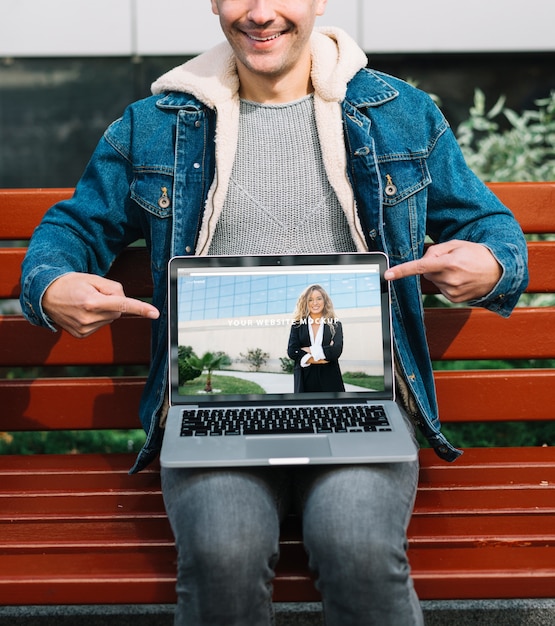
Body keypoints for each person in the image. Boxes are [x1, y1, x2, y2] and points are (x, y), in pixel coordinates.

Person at [20, 1, 528, 624]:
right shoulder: (156, 124)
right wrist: (52, 284)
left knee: (359, 548)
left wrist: (492, 266)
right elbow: (72, 227)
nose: (261, 13)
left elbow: (491, 227)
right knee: (221, 553)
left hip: (357, 404)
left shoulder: (400, 115)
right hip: (212, 413)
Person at [287, 284, 345, 392]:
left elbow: (336, 351)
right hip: (304, 380)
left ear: (325, 300)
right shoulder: (297, 325)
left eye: (319, 298)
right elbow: (292, 351)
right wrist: (322, 359)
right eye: (310, 300)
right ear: (305, 303)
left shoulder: (335, 324)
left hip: (330, 379)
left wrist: (307, 350)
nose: (315, 303)